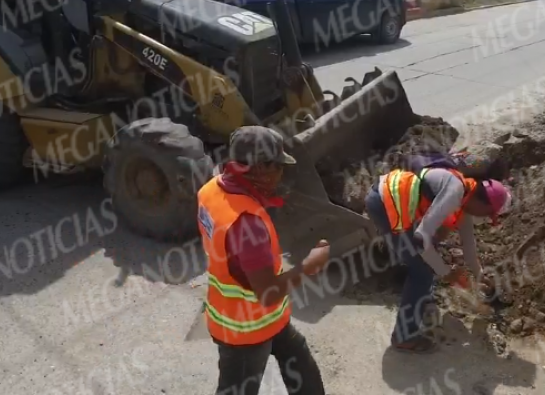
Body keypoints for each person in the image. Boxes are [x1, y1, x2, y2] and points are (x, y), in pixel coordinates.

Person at [197, 126, 330, 395]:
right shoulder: (248, 225)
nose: (281, 174)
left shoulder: (212, 189)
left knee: (298, 358)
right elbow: (268, 292)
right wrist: (309, 267)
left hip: (260, 318)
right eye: (277, 167)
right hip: (246, 331)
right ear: (257, 169)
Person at [365, 161, 513, 354]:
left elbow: (469, 247)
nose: (485, 219)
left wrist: (479, 275)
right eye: (487, 214)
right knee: (422, 271)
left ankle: (423, 300)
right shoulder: (455, 192)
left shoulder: (464, 197)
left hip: (393, 201)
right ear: (482, 203)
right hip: (385, 203)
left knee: (429, 257)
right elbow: (421, 239)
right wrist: (446, 273)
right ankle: (404, 336)